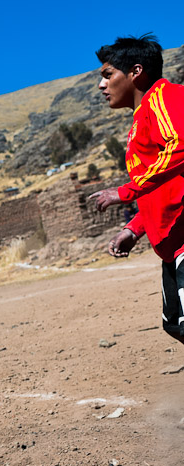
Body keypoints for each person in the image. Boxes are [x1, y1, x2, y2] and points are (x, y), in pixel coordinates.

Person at [90, 35, 184, 346]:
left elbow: (181, 146)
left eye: (107, 75)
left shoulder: (165, 98)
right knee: (176, 326)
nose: (102, 86)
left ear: (136, 72)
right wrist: (134, 229)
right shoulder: (141, 118)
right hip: (171, 248)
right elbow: (164, 184)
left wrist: (127, 191)